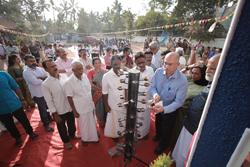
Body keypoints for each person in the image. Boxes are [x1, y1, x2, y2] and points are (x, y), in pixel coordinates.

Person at [172, 54, 221, 167]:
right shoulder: (209, 83)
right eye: (207, 67)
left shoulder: (212, 86)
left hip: (194, 129)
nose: (208, 70)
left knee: (187, 153)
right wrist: (191, 66)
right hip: (188, 123)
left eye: (212, 68)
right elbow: (176, 74)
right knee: (180, 149)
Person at [150, 52, 188, 155]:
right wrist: (155, 95)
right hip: (158, 105)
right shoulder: (158, 72)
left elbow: (179, 101)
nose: (166, 66)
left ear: (177, 64)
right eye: (165, 63)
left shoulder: (182, 80)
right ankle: (158, 135)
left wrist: (164, 109)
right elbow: (153, 87)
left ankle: (163, 145)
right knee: (158, 122)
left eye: (170, 64)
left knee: (167, 128)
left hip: (170, 110)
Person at [41, 59, 81, 150]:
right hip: (59, 110)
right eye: (52, 67)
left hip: (69, 107)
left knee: (71, 123)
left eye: (55, 65)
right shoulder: (45, 84)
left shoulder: (64, 76)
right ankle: (66, 141)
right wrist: (55, 114)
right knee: (62, 127)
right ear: (46, 70)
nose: (55, 68)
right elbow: (49, 101)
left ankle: (72, 135)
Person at [170, 62, 208, 146]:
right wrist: (188, 67)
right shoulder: (189, 78)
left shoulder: (205, 88)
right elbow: (174, 74)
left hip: (185, 114)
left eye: (196, 74)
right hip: (174, 108)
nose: (193, 75)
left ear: (203, 74)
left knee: (180, 133)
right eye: (192, 72)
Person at [65, 60, 99, 146]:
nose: (81, 71)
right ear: (73, 70)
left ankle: (93, 135)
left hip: (89, 104)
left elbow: (88, 90)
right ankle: (85, 138)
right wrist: (74, 111)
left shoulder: (84, 76)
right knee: (83, 124)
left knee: (92, 122)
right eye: (79, 69)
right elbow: (69, 98)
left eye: (82, 69)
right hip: (80, 107)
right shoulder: (69, 82)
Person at [0, 71, 38, 147]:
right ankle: (17, 137)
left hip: (13, 102)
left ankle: (30, 132)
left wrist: (22, 99)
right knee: (9, 124)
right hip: (1, 108)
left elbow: (15, 87)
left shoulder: (3, 74)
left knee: (23, 119)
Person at [23, 55, 54, 132]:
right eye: (31, 61)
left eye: (34, 61)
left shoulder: (39, 69)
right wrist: (43, 78)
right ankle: (46, 124)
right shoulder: (26, 72)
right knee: (43, 109)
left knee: (48, 106)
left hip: (45, 92)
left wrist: (40, 78)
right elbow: (36, 82)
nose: (33, 62)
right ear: (26, 62)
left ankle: (49, 118)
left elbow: (49, 75)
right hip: (37, 94)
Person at [102, 55, 127, 142]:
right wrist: (106, 105)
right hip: (112, 102)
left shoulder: (125, 74)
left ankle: (122, 132)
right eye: (114, 64)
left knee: (123, 119)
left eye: (118, 63)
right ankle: (115, 135)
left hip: (123, 102)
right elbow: (104, 92)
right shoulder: (106, 76)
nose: (117, 66)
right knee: (114, 121)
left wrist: (127, 101)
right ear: (111, 64)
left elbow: (126, 88)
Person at [133, 52, 154, 139]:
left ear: (146, 60)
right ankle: (136, 134)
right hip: (136, 100)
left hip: (147, 99)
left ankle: (144, 133)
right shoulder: (133, 72)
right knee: (137, 118)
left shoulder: (150, 70)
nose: (141, 65)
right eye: (139, 63)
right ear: (135, 62)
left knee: (145, 117)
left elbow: (153, 84)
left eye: (143, 62)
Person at [87, 58, 108, 127]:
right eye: (95, 63)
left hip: (106, 93)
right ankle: (101, 121)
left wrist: (104, 90)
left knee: (106, 106)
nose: (97, 64)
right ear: (93, 64)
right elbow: (91, 84)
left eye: (99, 63)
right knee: (99, 107)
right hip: (96, 93)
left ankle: (108, 122)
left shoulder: (106, 71)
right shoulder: (90, 72)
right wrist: (100, 89)